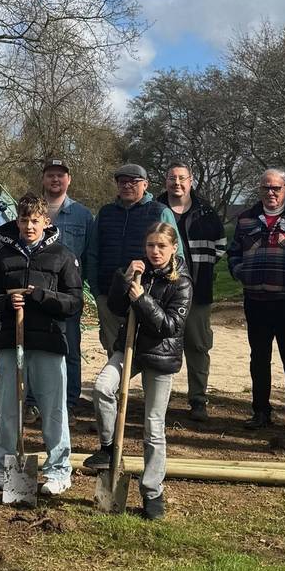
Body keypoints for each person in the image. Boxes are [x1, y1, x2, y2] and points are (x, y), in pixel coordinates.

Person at [85, 222, 193, 520]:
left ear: (173, 249)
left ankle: (152, 492)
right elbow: (119, 308)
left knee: (153, 426)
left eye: (161, 246)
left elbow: (170, 326)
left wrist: (142, 299)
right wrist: (125, 280)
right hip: (129, 347)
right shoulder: (139, 271)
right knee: (103, 387)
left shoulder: (181, 282)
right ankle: (108, 448)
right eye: (150, 246)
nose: (154, 251)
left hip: (159, 356)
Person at [0, 194, 82, 497]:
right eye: (24, 220)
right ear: (18, 221)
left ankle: (58, 471)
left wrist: (41, 296)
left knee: (53, 409)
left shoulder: (62, 255)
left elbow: (75, 302)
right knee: (9, 409)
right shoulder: (4, 256)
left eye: (35, 220)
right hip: (12, 340)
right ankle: (4, 467)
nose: (29, 226)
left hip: (48, 341)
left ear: (46, 222)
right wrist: (5, 300)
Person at [227, 169, 285, 433]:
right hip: (256, 299)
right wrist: (238, 271)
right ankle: (261, 411)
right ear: (259, 190)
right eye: (265, 188)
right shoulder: (246, 218)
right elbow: (234, 251)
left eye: (276, 188)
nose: (270, 193)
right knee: (259, 357)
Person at [87, 164, 182, 356]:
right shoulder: (105, 213)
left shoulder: (160, 212)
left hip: (148, 296)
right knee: (114, 350)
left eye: (134, 181)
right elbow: (92, 253)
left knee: (148, 352)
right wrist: (97, 292)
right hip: (109, 295)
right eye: (122, 182)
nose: (127, 185)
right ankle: (117, 387)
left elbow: (176, 256)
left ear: (145, 184)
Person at [158, 162, 226, 422]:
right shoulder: (156, 210)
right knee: (161, 346)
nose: (177, 183)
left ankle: (198, 399)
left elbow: (220, 246)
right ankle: (159, 400)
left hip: (198, 292)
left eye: (182, 178)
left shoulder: (206, 212)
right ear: (165, 181)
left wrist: (202, 272)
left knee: (198, 345)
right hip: (163, 293)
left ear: (191, 180)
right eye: (172, 178)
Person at [40, 158, 94, 424]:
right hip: (36, 292)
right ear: (43, 179)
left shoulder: (83, 215)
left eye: (60, 176)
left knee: (70, 348)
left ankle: (69, 402)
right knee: (36, 347)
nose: (55, 180)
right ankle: (33, 402)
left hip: (69, 293)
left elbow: (91, 254)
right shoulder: (33, 210)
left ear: (69, 180)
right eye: (50, 175)